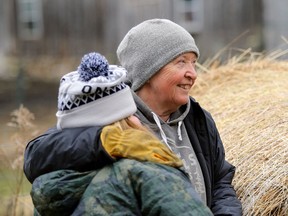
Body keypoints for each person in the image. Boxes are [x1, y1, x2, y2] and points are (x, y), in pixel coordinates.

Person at [24, 19, 242, 215]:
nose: (193, 73)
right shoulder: (112, 114)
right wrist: (106, 141)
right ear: (148, 71)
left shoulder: (199, 120)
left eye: (194, 62)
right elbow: (36, 155)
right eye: (181, 62)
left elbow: (220, 180)